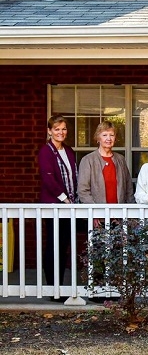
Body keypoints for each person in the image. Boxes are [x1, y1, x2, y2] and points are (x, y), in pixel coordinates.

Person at [38, 115, 79, 293]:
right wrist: (64, 198)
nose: (61, 132)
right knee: (54, 246)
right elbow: (49, 179)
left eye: (63, 129)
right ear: (49, 131)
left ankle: (61, 287)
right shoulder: (45, 151)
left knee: (64, 245)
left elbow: (73, 176)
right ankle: (53, 288)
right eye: (56, 129)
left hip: (70, 205)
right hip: (55, 205)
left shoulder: (68, 150)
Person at [77, 121, 134, 205]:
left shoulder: (120, 159)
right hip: (96, 214)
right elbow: (83, 190)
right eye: (104, 135)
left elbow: (129, 188)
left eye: (111, 135)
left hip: (119, 213)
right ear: (98, 138)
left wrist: (130, 212)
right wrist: (95, 213)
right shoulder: (88, 160)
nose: (109, 138)